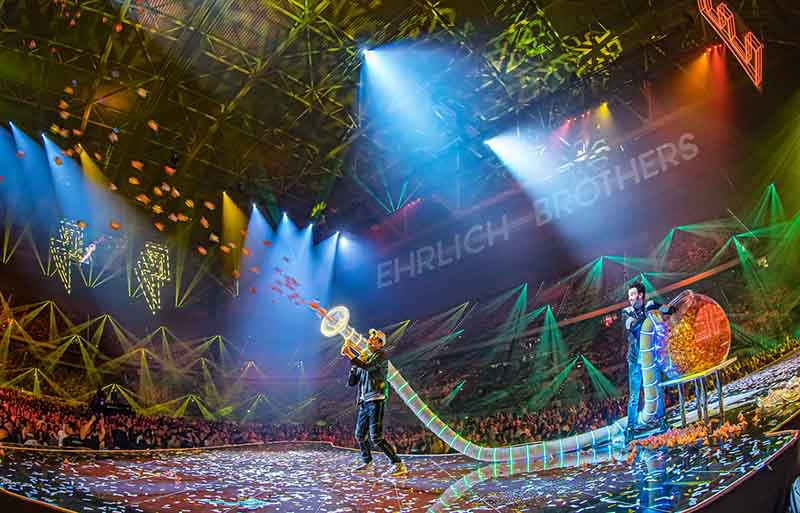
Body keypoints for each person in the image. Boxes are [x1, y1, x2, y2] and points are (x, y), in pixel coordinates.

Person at [342, 329, 407, 476]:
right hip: (365, 402)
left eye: (373, 339)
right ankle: (368, 463)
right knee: (359, 434)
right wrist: (353, 367)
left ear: (380, 344)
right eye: (369, 339)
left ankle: (398, 464)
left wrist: (350, 354)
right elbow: (352, 383)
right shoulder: (364, 360)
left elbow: (368, 367)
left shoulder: (381, 356)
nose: (369, 341)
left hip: (376, 400)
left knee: (376, 437)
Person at [622, 282, 668, 442]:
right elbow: (632, 327)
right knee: (634, 395)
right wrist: (646, 313)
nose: (630, 298)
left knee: (657, 388)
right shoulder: (626, 312)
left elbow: (666, 309)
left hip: (651, 356)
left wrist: (664, 308)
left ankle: (662, 420)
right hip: (635, 360)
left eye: (633, 295)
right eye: (629, 296)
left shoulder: (650, 305)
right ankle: (630, 428)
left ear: (641, 295)